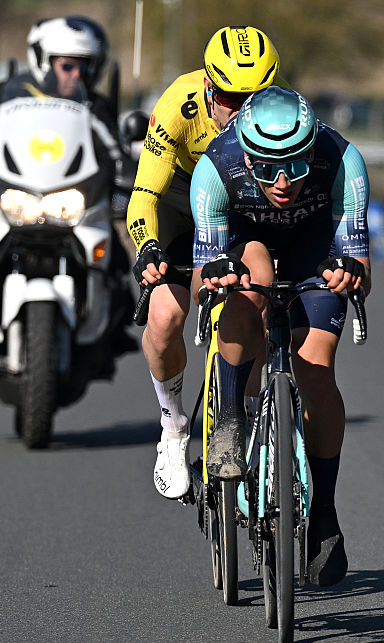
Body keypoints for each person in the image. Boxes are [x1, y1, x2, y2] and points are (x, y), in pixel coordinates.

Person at [190, 86, 371, 587]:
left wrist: (349, 274)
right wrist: (218, 276)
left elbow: (362, 268)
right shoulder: (216, 167)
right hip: (248, 243)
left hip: (316, 248)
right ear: (245, 154)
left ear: (312, 147)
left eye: (294, 162)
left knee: (316, 370)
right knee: (251, 287)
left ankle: (324, 514)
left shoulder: (343, 161)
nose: (284, 180)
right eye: (267, 167)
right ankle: (229, 415)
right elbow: (206, 267)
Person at [128, 26, 288, 501]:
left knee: (260, 285)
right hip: (182, 201)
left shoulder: (280, 111)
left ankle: (250, 409)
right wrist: (148, 247)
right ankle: (174, 425)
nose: (239, 112)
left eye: (252, 100)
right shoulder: (180, 103)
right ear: (208, 88)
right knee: (165, 317)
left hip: (240, 199)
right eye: (228, 98)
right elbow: (144, 196)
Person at [0, 16, 130, 365]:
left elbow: (117, 152)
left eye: (86, 67)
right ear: (42, 58)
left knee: (116, 259)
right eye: (67, 66)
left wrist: (131, 171)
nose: (76, 76)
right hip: (9, 196)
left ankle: (113, 331)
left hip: (70, 202)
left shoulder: (94, 107)